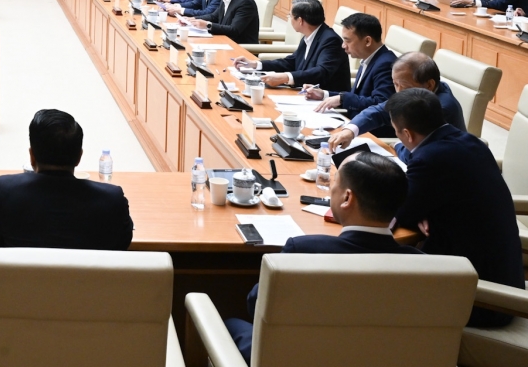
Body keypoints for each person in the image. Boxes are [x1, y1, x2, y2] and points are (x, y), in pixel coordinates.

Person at [221, 152, 420, 364]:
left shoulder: (303, 251)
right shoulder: (423, 266)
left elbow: (256, 306)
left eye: (335, 182)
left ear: (347, 198)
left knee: (229, 324)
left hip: (298, 358)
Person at [389, 88, 524, 328]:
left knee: (379, 282)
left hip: (483, 299)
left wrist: (418, 208)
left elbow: (399, 212)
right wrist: (423, 207)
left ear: (407, 134)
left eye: (396, 132)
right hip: (502, 274)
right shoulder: (471, 142)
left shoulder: (430, 160)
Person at [0, 109, 132, 250]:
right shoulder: (112, 199)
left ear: (32, 156)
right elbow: (122, 244)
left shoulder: (3, 190)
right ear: (79, 157)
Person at [328, 53, 466, 159]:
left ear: (429, 84)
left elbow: (415, 153)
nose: (398, 92)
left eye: (404, 86)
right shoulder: (418, 94)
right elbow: (379, 111)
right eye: (395, 84)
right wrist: (350, 131)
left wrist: (398, 145)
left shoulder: (439, 108)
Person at [234, 0, 350, 91]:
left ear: (300, 21)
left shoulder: (330, 41)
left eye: (290, 16)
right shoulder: (311, 35)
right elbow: (292, 61)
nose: (289, 19)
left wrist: (285, 77)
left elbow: (321, 72)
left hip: (326, 102)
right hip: (305, 94)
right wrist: (255, 65)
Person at [305, 13, 396, 118]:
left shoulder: (385, 64)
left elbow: (381, 104)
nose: (343, 45)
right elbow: (359, 97)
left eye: (347, 40)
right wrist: (324, 94)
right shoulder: (368, 58)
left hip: (367, 127)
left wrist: (342, 99)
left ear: (367, 41)